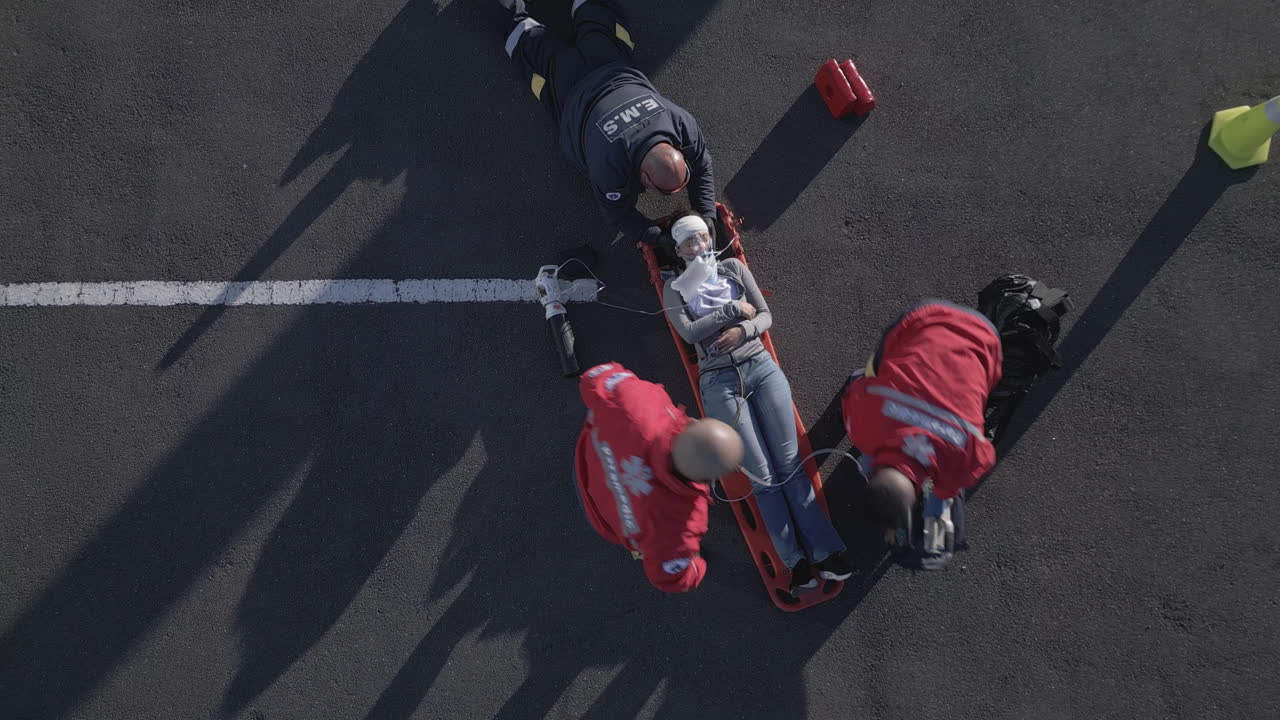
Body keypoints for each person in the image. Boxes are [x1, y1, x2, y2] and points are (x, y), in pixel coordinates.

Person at [660, 213, 853, 595]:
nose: (699, 247)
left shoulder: (731, 268)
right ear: (678, 250)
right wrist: (733, 311)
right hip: (718, 382)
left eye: (702, 238)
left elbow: (764, 315)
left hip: (760, 367)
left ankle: (826, 552)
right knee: (762, 477)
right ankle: (794, 562)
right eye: (689, 243)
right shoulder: (675, 288)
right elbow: (690, 332)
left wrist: (742, 329)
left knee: (790, 467)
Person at [498, 0, 718, 245]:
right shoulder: (609, 166)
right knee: (519, 33)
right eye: (666, 191)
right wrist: (656, 237)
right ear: (644, 177)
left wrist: (707, 214)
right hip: (567, 84)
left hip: (610, 61)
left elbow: (702, 165)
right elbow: (618, 214)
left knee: (596, 6)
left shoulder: (681, 123)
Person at [841, 301, 1003, 568]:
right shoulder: (865, 427)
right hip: (926, 318)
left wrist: (945, 486)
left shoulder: (962, 457)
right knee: (871, 373)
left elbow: (976, 463)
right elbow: (855, 396)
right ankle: (934, 542)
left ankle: (933, 542)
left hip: (985, 342)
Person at [574, 361, 744, 593]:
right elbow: (671, 577)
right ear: (707, 479)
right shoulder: (680, 525)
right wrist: (694, 567)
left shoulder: (637, 402)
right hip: (606, 522)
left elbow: (593, 379)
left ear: (691, 425)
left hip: (585, 463)